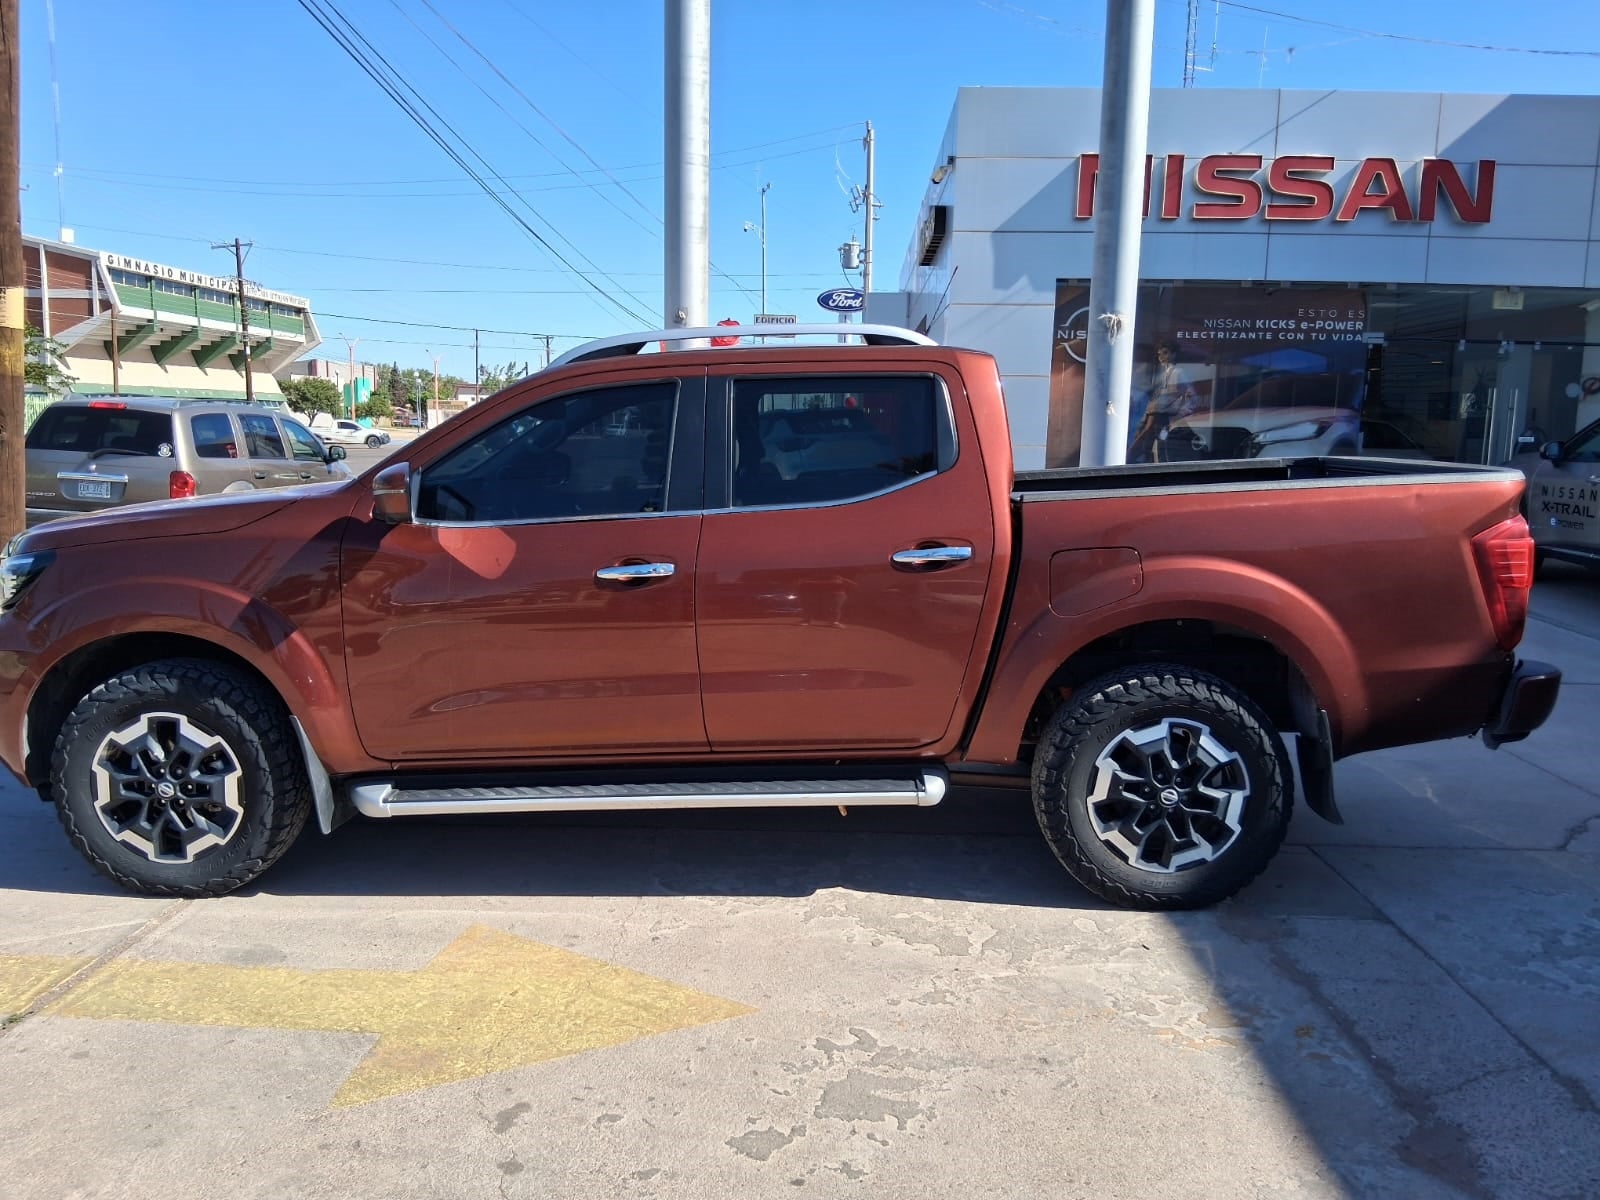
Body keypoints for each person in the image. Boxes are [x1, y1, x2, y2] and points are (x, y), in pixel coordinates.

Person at [1128, 342, 1197, 463]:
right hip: (1154, 413)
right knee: (1147, 439)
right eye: (1159, 354)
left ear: (1174, 354)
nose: (1161, 356)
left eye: (1165, 353)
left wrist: (1178, 414)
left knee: (1147, 437)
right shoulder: (1160, 374)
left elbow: (1189, 395)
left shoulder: (1178, 372)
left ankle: (1128, 458)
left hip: (1165, 415)